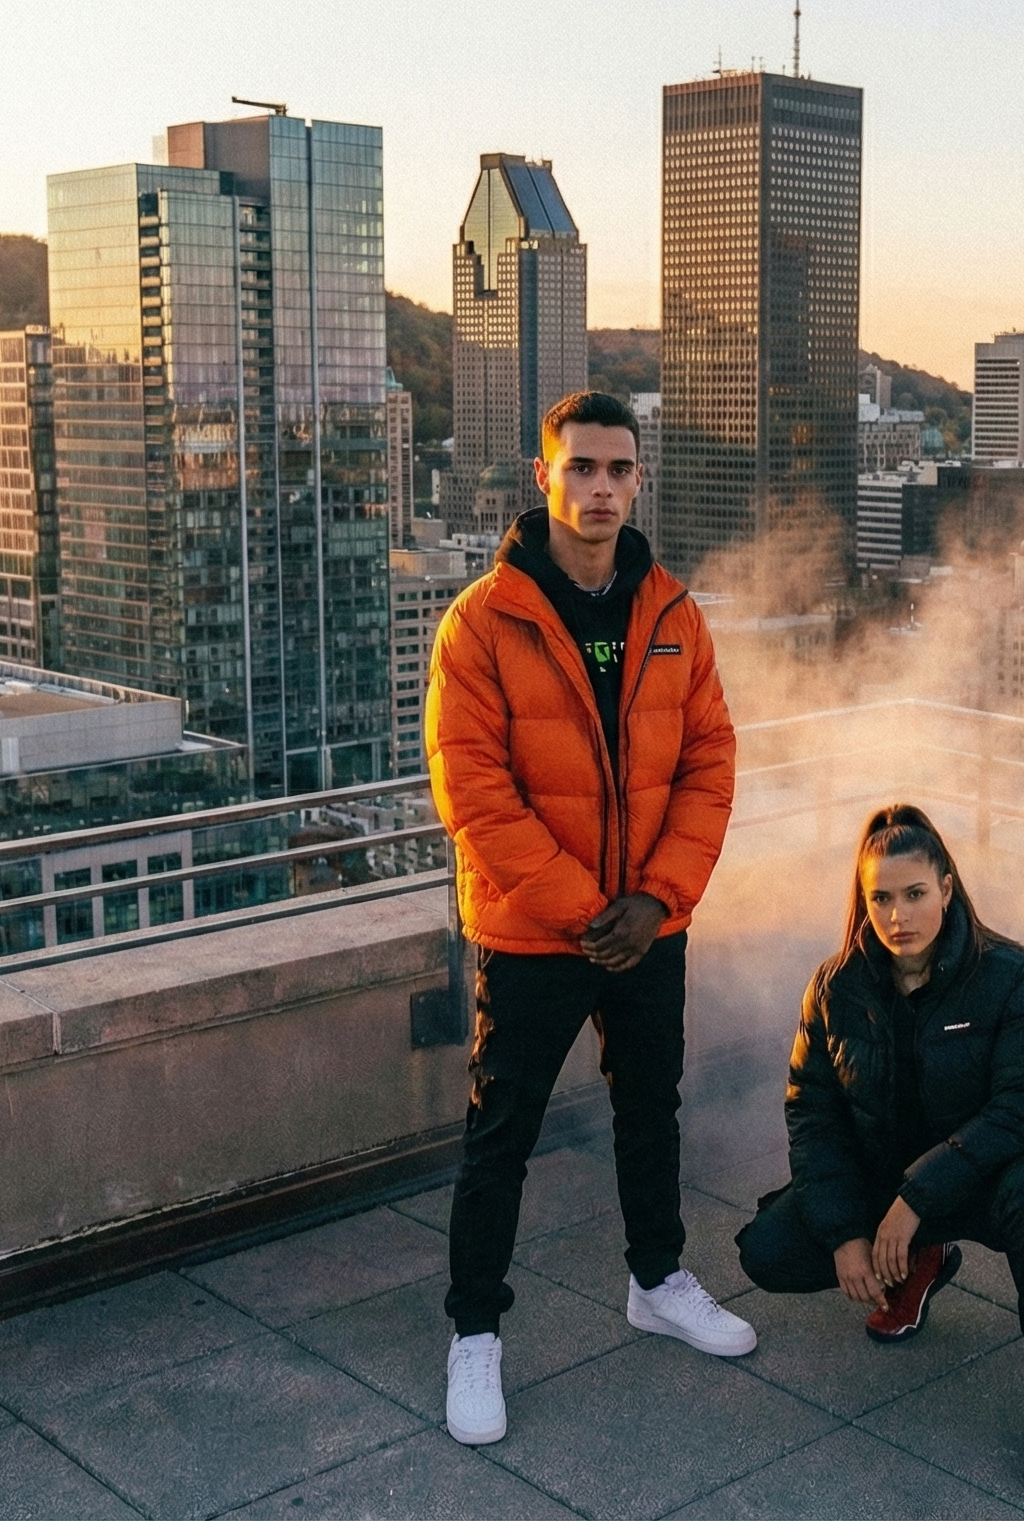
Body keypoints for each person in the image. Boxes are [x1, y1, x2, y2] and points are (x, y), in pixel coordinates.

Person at [425, 390, 753, 1447]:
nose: (601, 488)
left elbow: (709, 760)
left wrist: (656, 898)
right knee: (500, 1133)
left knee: (649, 1105)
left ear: (637, 480)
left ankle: (655, 1279)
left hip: (649, 926)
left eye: (618, 469)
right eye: (582, 468)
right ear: (544, 476)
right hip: (533, 930)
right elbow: (471, 791)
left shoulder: (672, 613)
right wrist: (586, 912)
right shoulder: (481, 620)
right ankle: (475, 1333)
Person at [735, 804, 1024, 1494]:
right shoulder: (835, 984)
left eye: (914, 894)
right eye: (881, 897)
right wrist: (845, 1233)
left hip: (991, 1177)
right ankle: (919, 1260)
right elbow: (812, 1115)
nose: (898, 914)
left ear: (947, 888)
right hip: (890, 1178)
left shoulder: (1008, 975)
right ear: (863, 899)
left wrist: (912, 1201)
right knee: (770, 1251)